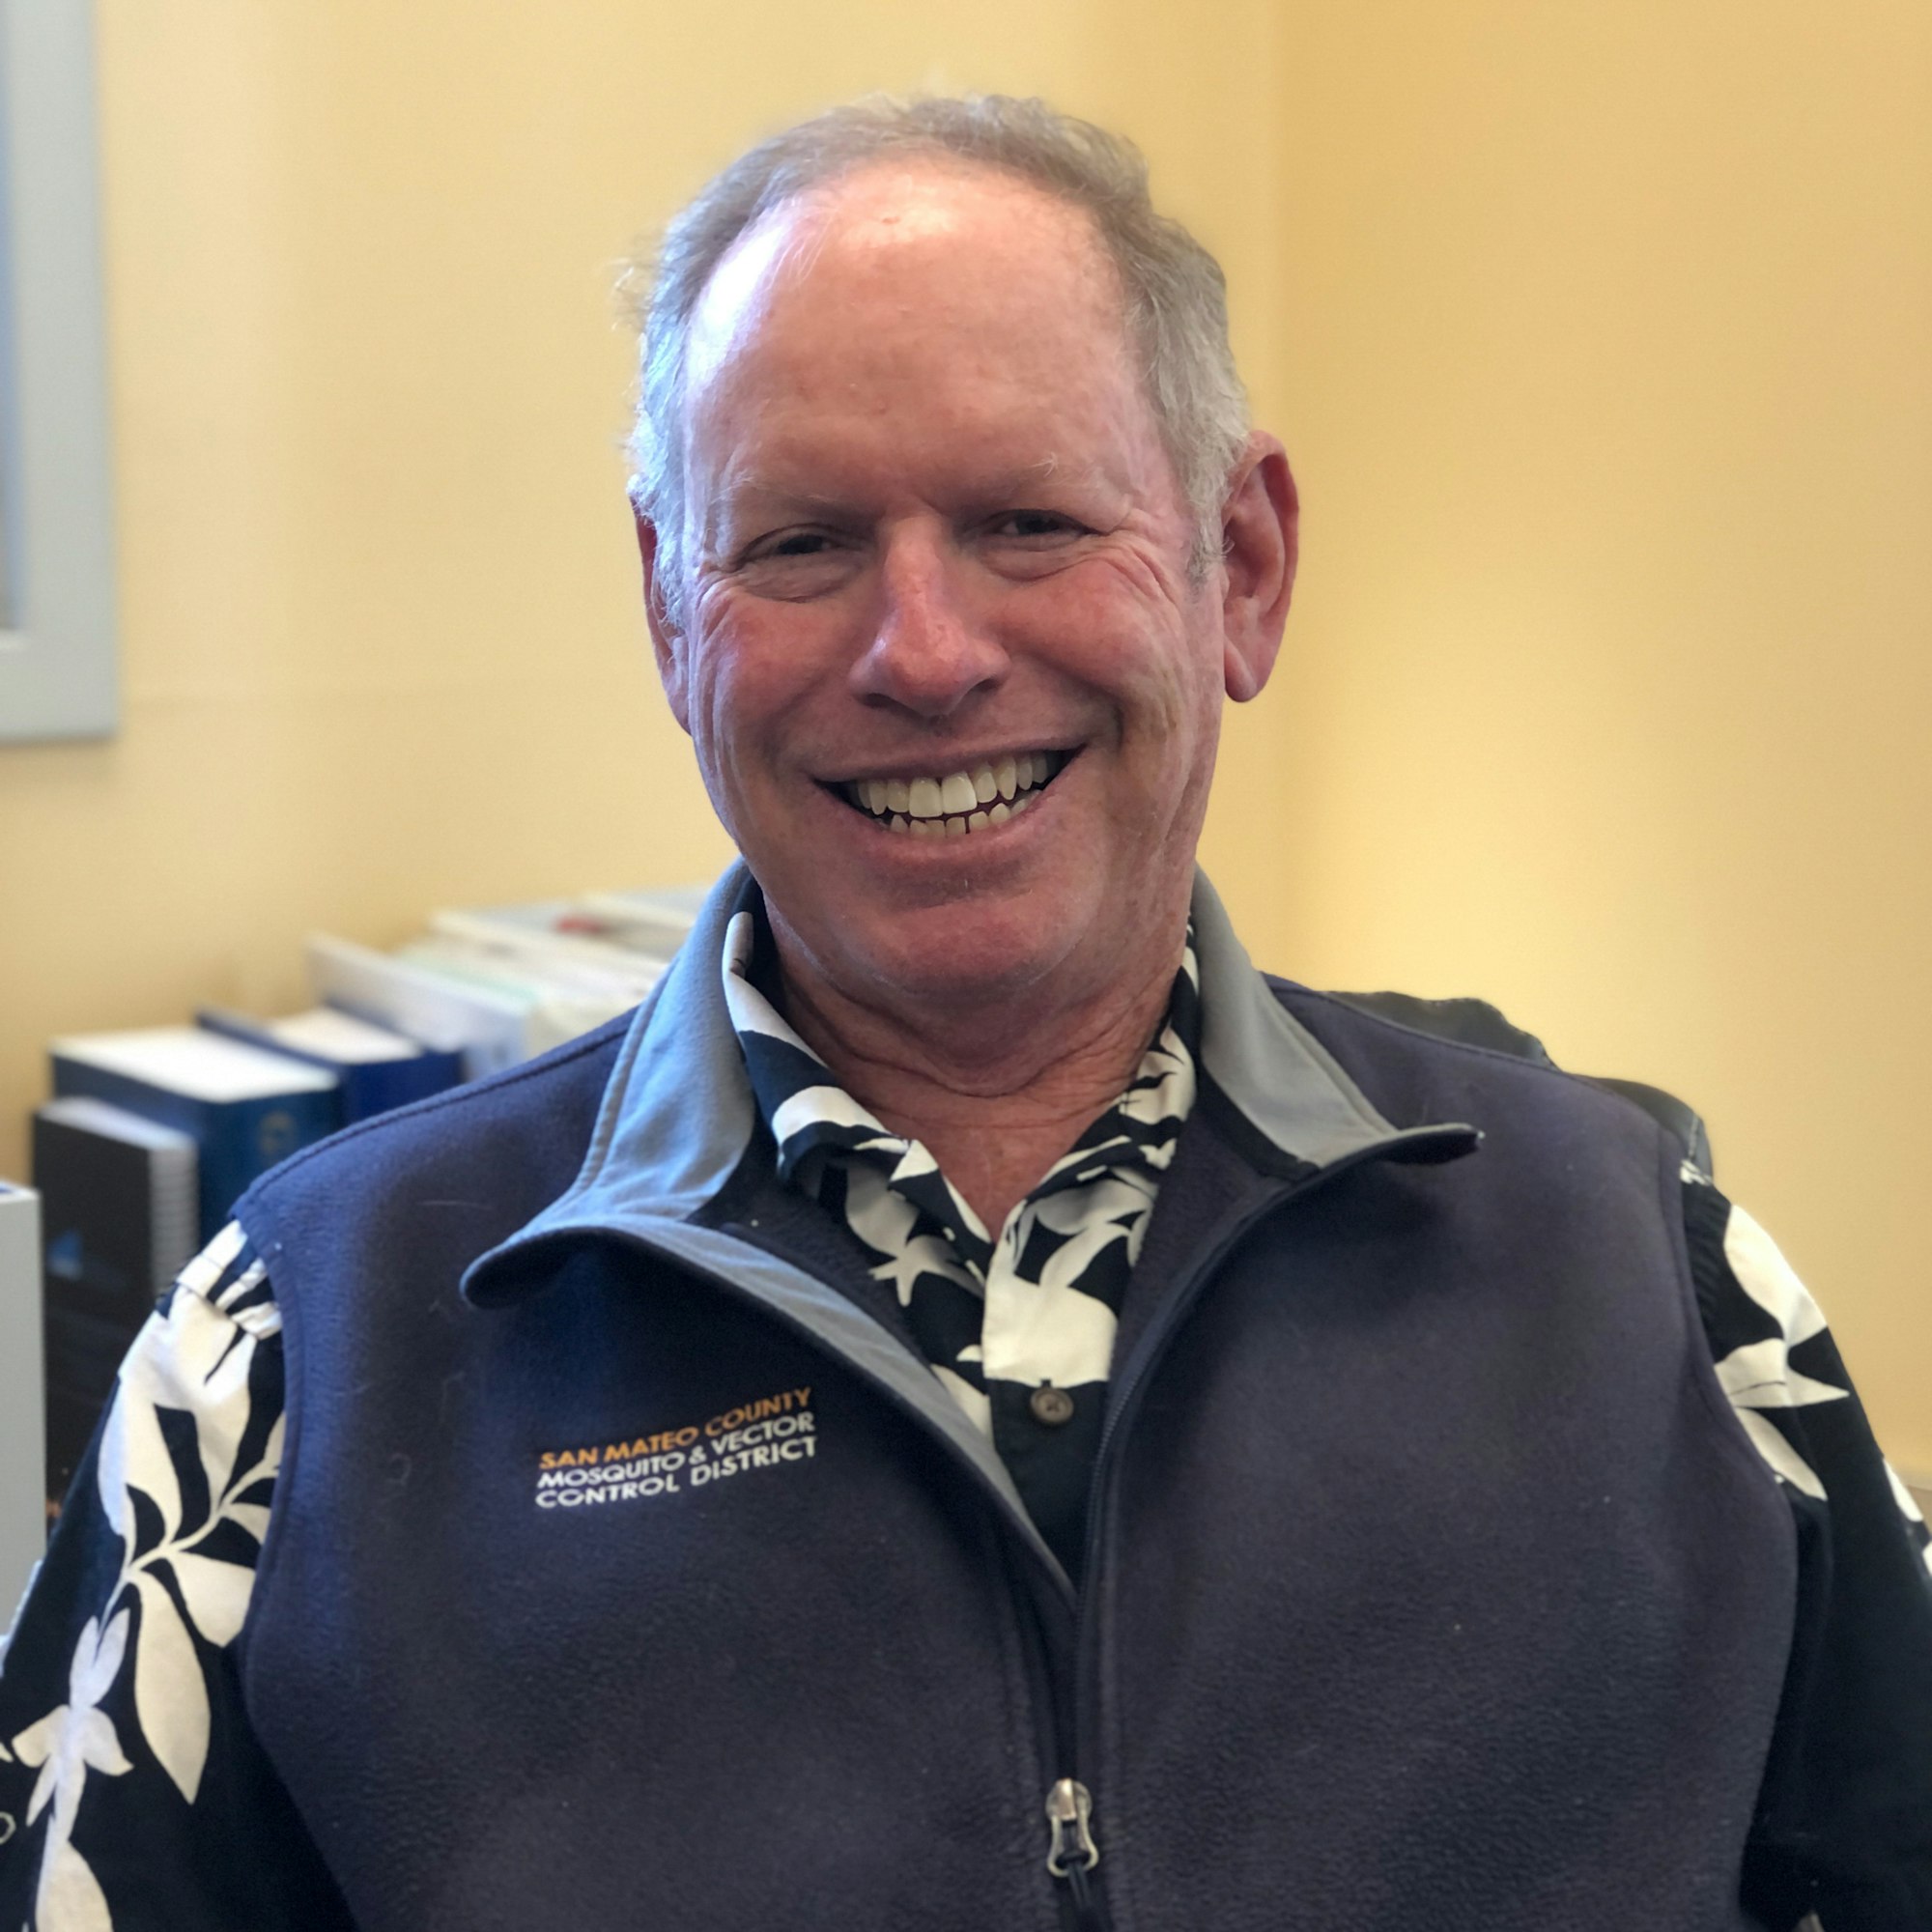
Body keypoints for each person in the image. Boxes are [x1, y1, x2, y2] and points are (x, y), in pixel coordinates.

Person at [2, 94, 1928, 1932]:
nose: (921, 652)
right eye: (801, 543)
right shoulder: (293, 1354)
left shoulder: (1649, 1268)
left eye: (1028, 521)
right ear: (673, 614)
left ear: (1237, 568)